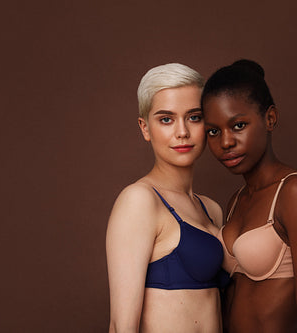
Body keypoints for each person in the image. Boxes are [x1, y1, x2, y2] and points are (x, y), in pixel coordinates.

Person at [201, 59, 297, 332]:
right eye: (213, 131)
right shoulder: (236, 200)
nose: (225, 142)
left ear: (269, 118)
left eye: (238, 126)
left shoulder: (294, 191)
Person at [106, 63, 225, 333]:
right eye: (166, 119)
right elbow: (121, 326)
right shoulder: (139, 200)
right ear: (145, 128)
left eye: (194, 117)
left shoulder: (211, 209)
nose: (182, 131)